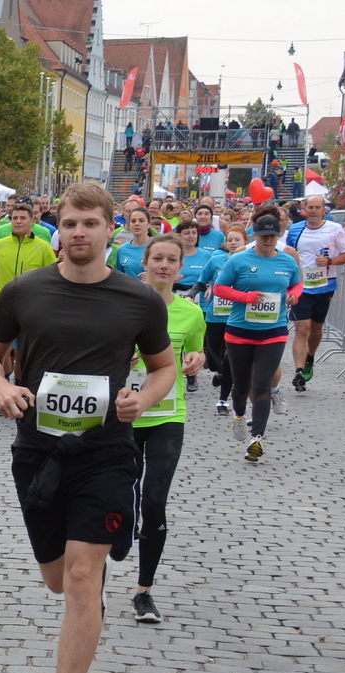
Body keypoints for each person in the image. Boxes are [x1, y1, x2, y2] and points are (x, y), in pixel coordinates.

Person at [0, 182, 175, 673]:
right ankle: (88, 592)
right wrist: (0, 386)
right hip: (38, 453)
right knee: (58, 578)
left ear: (111, 227)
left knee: (84, 577)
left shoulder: (140, 300)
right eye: (69, 223)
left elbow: (162, 368)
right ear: (57, 229)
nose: (79, 232)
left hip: (106, 451)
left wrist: (145, 398)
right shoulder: (25, 291)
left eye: (90, 223)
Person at [130, 235, 205, 625]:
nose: (163, 265)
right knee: (120, 500)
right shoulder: (124, 305)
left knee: (154, 501)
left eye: (171, 260)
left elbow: (197, 351)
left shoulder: (191, 313)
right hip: (124, 416)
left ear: (180, 268)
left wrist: (196, 359)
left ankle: (144, 592)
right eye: (157, 257)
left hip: (167, 416)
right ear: (144, 263)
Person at [212, 206, 303, 463]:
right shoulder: (239, 260)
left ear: (278, 235)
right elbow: (220, 288)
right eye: (264, 236)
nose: (268, 240)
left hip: (273, 332)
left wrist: (294, 295)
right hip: (240, 332)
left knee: (262, 384)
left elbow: (297, 283)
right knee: (241, 386)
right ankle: (239, 415)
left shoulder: (287, 261)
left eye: (272, 236)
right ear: (256, 235)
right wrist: (247, 297)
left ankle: (257, 439)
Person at [285, 194, 345, 391]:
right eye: (311, 207)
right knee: (302, 328)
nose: (314, 211)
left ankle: (310, 358)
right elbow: (288, 254)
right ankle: (299, 371)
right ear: (305, 209)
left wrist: (329, 261)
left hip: (325, 286)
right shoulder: (296, 230)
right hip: (301, 286)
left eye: (318, 208)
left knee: (316, 329)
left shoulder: (334, 229)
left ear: (324, 210)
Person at [197, 227, 249, 414]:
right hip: (215, 315)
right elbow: (202, 281)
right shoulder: (216, 260)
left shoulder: (249, 262)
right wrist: (194, 293)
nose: (233, 243)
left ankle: (223, 398)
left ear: (246, 242)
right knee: (213, 361)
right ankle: (219, 371)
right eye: (230, 240)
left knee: (229, 358)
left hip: (237, 318)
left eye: (237, 240)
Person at [0, 205, 57, 308]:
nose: (18, 221)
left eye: (23, 218)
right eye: (15, 218)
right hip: (2, 305)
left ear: (32, 221)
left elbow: (54, 276)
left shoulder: (44, 247)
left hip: (32, 307)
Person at [109, 207, 153, 279]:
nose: (137, 224)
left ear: (149, 224)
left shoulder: (157, 247)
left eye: (141, 221)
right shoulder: (122, 250)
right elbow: (119, 277)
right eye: (133, 221)